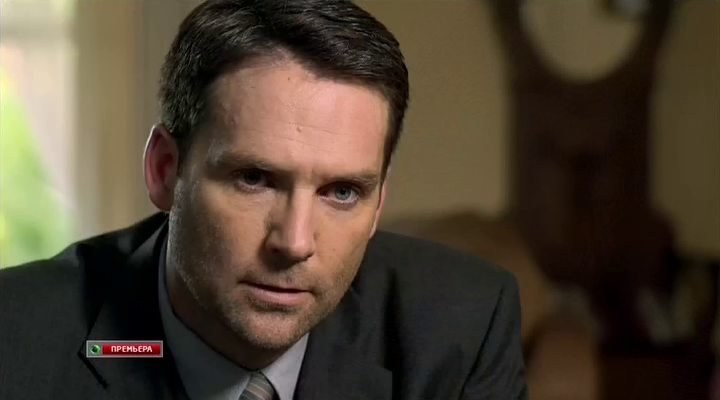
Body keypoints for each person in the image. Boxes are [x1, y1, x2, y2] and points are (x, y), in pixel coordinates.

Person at [0, 1, 527, 399]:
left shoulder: (462, 328)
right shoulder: (17, 337)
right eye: (254, 179)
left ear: (379, 203)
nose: (294, 243)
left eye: (343, 192)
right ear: (164, 171)